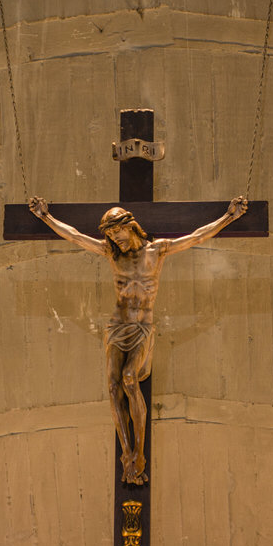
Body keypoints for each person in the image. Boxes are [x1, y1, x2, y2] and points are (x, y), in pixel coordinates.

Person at [28, 196, 247, 484]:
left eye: (118, 234)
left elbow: (197, 236)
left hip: (142, 326)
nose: (116, 241)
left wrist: (229, 217)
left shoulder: (157, 251)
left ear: (131, 227)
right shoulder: (111, 253)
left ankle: (139, 453)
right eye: (112, 237)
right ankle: (126, 453)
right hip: (118, 326)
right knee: (112, 385)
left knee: (130, 378)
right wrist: (45, 217)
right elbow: (75, 236)